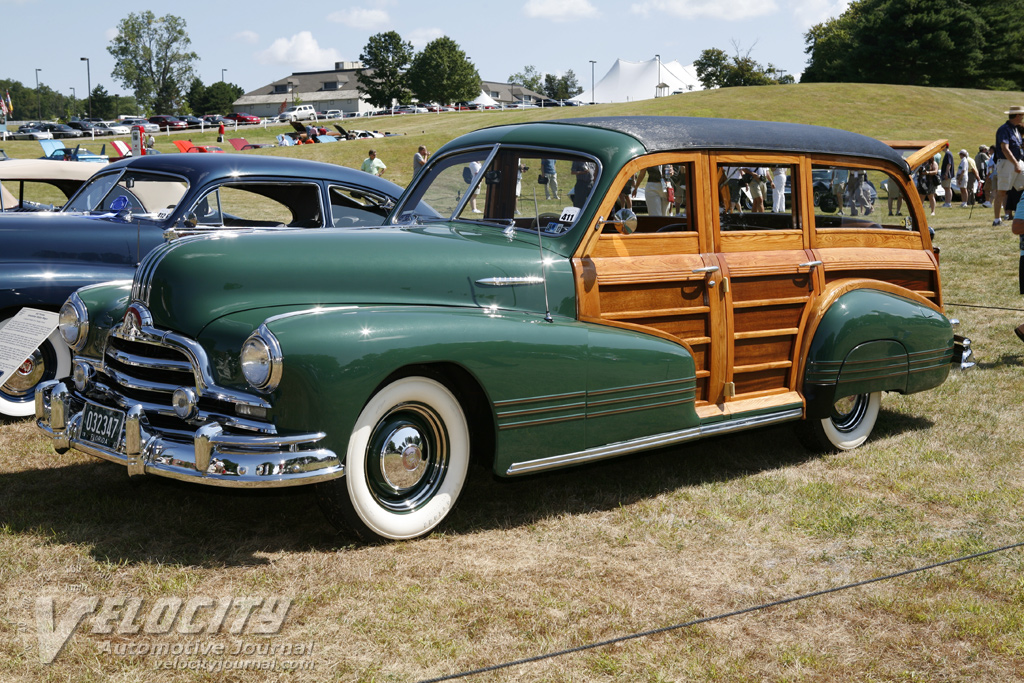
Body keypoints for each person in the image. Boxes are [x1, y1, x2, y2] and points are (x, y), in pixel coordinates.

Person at [992, 106, 1024, 226]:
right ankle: (996, 220)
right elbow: (1004, 149)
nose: (1023, 117)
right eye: (1022, 115)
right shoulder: (1004, 129)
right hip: (1006, 162)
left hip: (1017, 161)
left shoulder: (1015, 129)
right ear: (1017, 116)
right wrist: (1015, 163)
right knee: (1002, 192)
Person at [939, 143, 955, 208]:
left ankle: (948, 203)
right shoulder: (948, 154)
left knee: (947, 188)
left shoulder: (948, 154)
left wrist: (946, 173)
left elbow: (949, 164)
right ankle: (947, 202)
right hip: (948, 174)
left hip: (947, 174)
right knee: (947, 188)